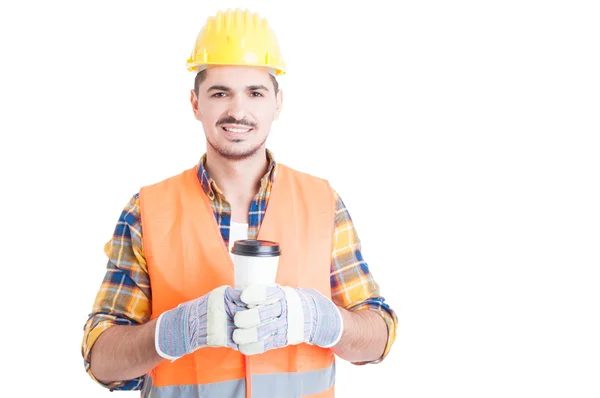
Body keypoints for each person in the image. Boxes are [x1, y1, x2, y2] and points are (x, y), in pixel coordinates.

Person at [81, 8, 398, 397]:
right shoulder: (147, 211)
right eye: (220, 93)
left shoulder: (322, 203)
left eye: (255, 92)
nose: (239, 111)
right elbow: (101, 361)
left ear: (277, 103)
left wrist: (322, 321)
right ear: (195, 104)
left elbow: (378, 337)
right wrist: (172, 332)